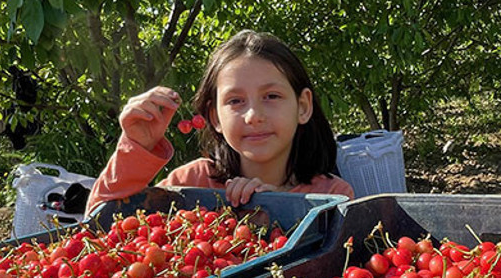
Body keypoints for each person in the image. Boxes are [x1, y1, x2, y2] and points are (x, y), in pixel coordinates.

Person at [84, 30, 354, 217]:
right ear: (215, 117)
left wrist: (279, 210)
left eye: (271, 96)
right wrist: (136, 147)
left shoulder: (331, 196)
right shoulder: (191, 183)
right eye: (235, 101)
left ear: (303, 107)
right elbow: (99, 227)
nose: (253, 115)